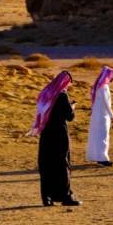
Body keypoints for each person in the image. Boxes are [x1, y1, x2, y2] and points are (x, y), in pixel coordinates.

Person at [28, 70, 81, 206]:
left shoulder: (45, 93)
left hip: (46, 133)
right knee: (62, 164)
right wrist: (72, 107)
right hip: (59, 133)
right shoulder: (62, 95)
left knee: (47, 164)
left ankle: (47, 198)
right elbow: (69, 116)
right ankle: (65, 196)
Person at [86, 65, 113, 165]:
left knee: (96, 136)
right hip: (102, 115)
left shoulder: (98, 86)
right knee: (103, 136)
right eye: (112, 76)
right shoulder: (104, 87)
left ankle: (96, 156)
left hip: (97, 114)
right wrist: (112, 115)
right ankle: (103, 158)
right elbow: (106, 103)